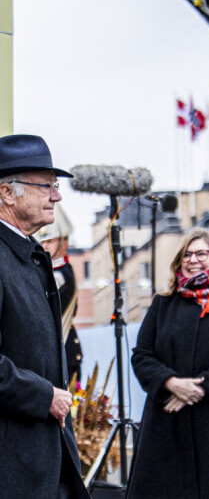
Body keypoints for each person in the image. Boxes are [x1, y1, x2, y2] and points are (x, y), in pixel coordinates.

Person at [126, 228, 209, 499]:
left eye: (202, 254)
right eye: (187, 255)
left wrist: (201, 387)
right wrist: (171, 382)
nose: (192, 260)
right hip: (166, 421)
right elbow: (142, 354)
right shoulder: (163, 303)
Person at [0, 134, 90, 499]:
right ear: (7, 194)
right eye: (46, 186)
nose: (57, 195)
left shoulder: (28, 254)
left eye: (55, 186)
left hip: (45, 459)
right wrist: (43, 396)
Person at [39, 204, 83, 383]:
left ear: (63, 242)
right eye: (42, 241)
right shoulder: (52, 271)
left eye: (50, 241)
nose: (44, 245)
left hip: (62, 351)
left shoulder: (59, 274)